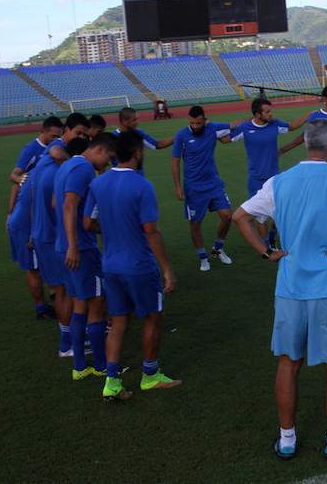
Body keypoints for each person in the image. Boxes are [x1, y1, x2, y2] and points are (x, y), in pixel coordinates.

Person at [233, 119, 327, 461]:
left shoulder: (278, 182)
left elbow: (240, 217)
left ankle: (287, 439)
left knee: (288, 363)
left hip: (290, 285)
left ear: (307, 144)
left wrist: (266, 251)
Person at [83, 131, 180, 400]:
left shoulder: (99, 184)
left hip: (110, 264)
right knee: (153, 317)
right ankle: (150, 375)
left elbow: (87, 223)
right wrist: (167, 269)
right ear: (138, 152)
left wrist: (113, 232)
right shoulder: (141, 185)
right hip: (138, 265)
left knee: (118, 322)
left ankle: (112, 383)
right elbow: (150, 231)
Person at [55, 133, 117, 380]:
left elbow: (55, 203)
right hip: (81, 248)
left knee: (80, 304)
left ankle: (80, 366)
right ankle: (102, 366)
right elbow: (69, 205)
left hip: (66, 245)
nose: (107, 164)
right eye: (109, 158)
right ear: (100, 150)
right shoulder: (83, 170)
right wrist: (74, 244)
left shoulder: (68, 165)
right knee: (96, 304)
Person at [30, 123, 90, 357]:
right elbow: (61, 205)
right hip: (51, 236)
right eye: (79, 132)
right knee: (63, 290)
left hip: (44, 233)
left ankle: (72, 338)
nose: (82, 136)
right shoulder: (61, 161)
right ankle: (67, 344)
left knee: (64, 289)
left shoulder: (51, 162)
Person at [228, 98, 308, 248]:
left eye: (270, 111)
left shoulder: (275, 124)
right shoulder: (245, 128)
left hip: (274, 178)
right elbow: (225, 139)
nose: (271, 114)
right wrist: (210, 127)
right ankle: (268, 246)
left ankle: (271, 236)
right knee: (260, 217)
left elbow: (291, 126)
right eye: (267, 111)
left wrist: (310, 115)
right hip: (255, 179)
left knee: (280, 213)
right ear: (257, 114)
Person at [6, 116, 63, 318]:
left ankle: (54, 293)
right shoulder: (32, 149)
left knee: (45, 258)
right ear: (44, 131)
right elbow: (14, 174)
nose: (56, 139)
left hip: (37, 212)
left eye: (59, 135)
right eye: (53, 135)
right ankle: (41, 307)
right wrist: (25, 182)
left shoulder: (56, 149)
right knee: (33, 266)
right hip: (27, 214)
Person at [171, 105, 234, 272]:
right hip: (193, 187)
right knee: (196, 223)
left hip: (214, 183)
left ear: (205, 120)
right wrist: (178, 186)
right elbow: (175, 160)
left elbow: (234, 126)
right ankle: (203, 257)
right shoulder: (181, 136)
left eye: (199, 123)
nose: (196, 126)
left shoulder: (213, 128)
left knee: (227, 215)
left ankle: (218, 248)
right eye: (193, 123)